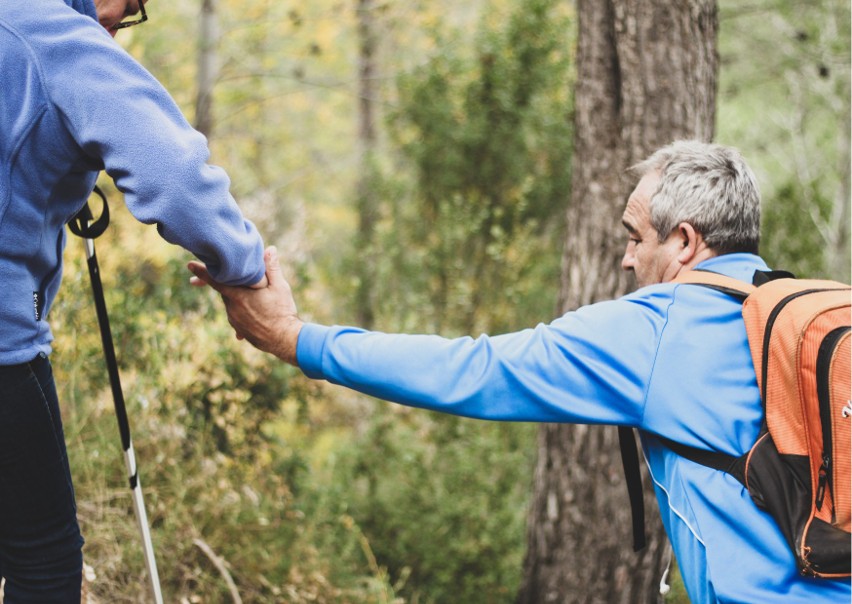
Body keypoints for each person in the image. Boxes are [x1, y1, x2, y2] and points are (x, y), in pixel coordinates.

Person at [189, 140, 851, 603]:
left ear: (682, 241)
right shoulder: (796, 316)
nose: (625, 261)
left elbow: (470, 371)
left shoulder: (655, 328)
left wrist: (295, 339)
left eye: (633, 237)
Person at [0, 0, 267, 599]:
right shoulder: (57, 37)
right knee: (44, 562)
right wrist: (245, 270)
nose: (134, 11)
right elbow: (175, 180)